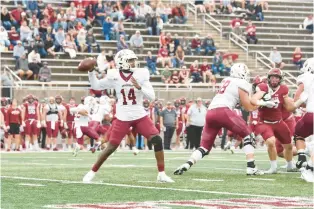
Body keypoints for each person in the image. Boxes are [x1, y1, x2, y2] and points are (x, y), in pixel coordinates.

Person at [83, 49, 174, 183]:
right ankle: (92, 172)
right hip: (123, 116)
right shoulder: (114, 76)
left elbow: (152, 97)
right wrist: (91, 72)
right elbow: (96, 85)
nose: (133, 63)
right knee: (111, 147)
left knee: (157, 140)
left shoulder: (141, 74)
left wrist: (139, 88)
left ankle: (161, 173)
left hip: (139, 114)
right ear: (122, 62)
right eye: (130, 60)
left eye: (133, 60)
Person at [174, 63, 266, 176]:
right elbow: (248, 107)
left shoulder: (226, 80)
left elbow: (241, 102)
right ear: (241, 73)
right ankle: (251, 167)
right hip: (223, 111)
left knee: (204, 147)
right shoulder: (241, 83)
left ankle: (187, 164)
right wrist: (262, 103)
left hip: (211, 112)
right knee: (248, 135)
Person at [251, 68, 303, 173]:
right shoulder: (263, 87)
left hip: (279, 122)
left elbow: (289, 108)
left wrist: (301, 101)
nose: (274, 80)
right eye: (272, 77)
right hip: (264, 122)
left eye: (277, 78)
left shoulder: (283, 89)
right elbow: (253, 100)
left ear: (280, 79)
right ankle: (273, 167)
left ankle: (290, 166)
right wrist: (264, 103)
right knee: (271, 142)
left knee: (288, 146)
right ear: (268, 78)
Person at [293, 58, 314, 183]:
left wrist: (302, 103)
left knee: (298, 133)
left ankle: (304, 159)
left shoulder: (306, 77)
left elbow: (297, 98)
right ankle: (309, 166)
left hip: (311, 115)